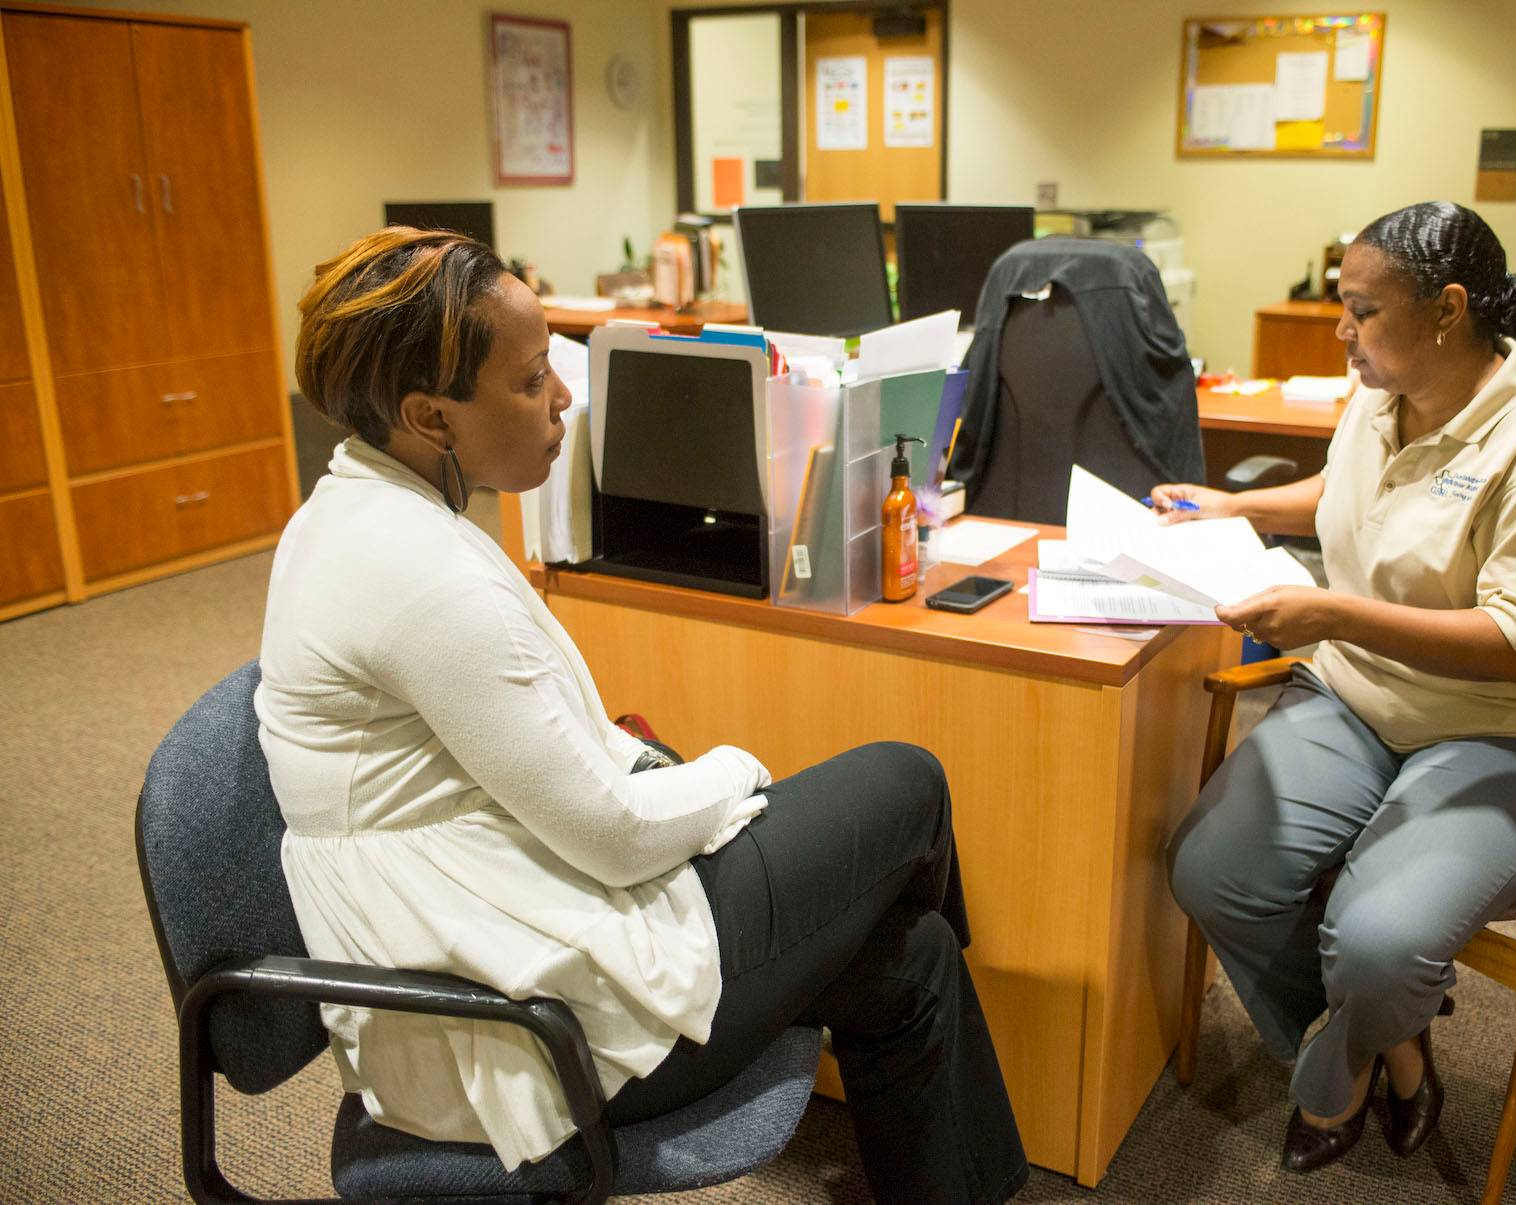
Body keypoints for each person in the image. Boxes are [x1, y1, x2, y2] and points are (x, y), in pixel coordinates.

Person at [257, 227, 1027, 1204]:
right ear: (428, 415)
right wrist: (731, 769)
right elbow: (617, 837)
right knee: (909, 782)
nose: (562, 398)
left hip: (509, 919)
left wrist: (662, 774)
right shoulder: (418, 576)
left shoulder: (360, 512)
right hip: (529, 1027)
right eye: (532, 378)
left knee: (904, 952)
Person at [1159, 202, 1516, 1172]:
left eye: (1361, 311)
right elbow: (1341, 490)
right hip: (1358, 695)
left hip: (1508, 723)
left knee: (1377, 939)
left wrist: (1329, 614)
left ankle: (1335, 1073)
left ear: (1447, 309)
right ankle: (1397, 1044)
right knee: (1210, 872)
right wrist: (1238, 500)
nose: (1341, 332)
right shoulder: (1379, 394)